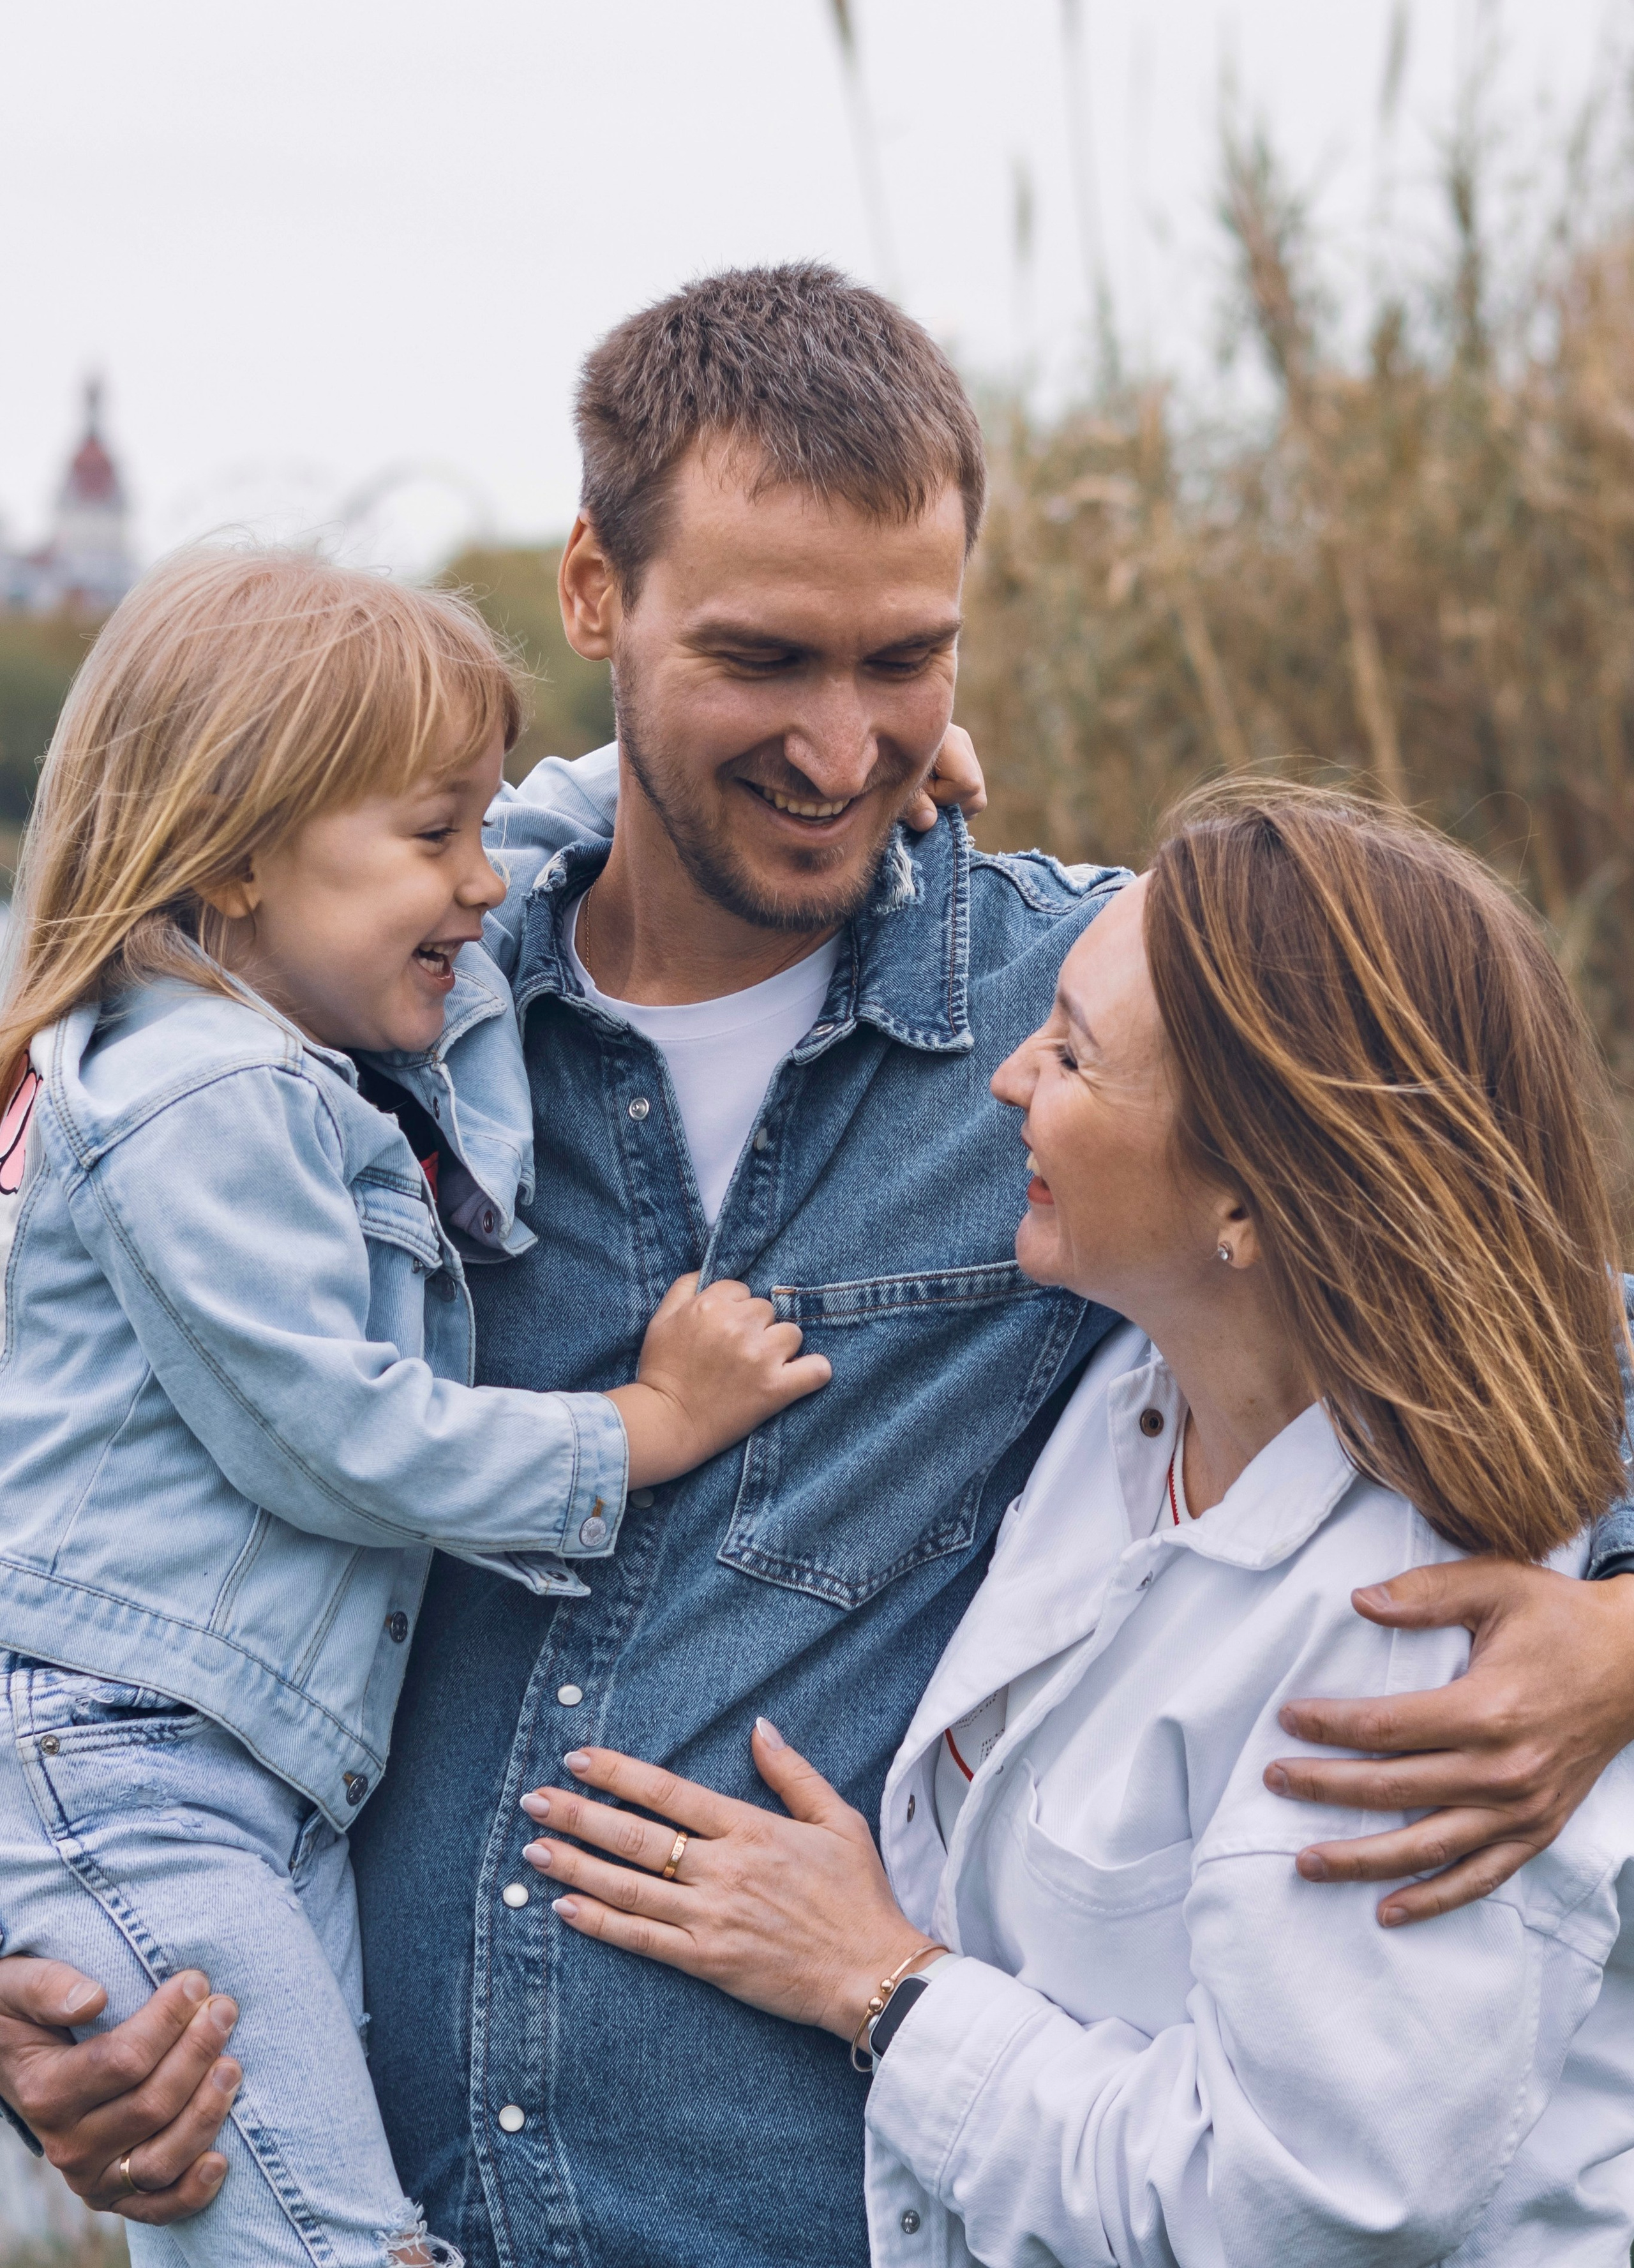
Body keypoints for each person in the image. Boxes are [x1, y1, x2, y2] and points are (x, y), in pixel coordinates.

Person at [9, 269, 1634, 2268]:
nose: (844, 747)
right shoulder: (349, 1021)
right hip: (384, 2187)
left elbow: (1528, 1328)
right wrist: (51, 2002)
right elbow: (72, 1515)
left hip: (834, 2211)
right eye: (764, 658)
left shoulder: (1113, 1027)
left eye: (909, 662)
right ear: (596, 593)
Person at [521, 783, 1634, 2265]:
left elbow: (1290, 2213)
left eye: (1072, 1055)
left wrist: (880, 1983)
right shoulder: (1129, 1383)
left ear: (1250, 1190)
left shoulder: (1418, 1641)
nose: (1004, 1079)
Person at [0, 546, 830, 2266]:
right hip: (127, 1771)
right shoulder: (200, 1093)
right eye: (427, 837)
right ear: (238, 853)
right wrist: (643, 1427)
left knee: (256, 2231)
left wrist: (839, 767)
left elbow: (509, 842)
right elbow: (334, 1427)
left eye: (474, 827)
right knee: (325, 2239)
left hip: (237, 1776)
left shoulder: (292, 1037)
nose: (479, 887)